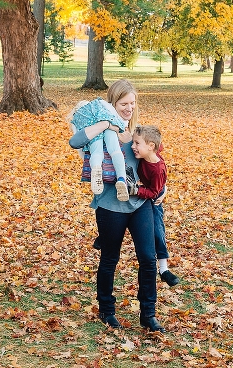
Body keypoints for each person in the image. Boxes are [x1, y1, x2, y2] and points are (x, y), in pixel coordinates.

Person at [68, 79, 165, 332]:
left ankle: (148, 314)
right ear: (112, 103)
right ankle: (107, 310)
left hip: (140, 203)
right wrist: (105, 121)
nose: (129, 108)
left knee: (148, 257)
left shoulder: (139, 135)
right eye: (123, 104)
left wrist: (162, 189)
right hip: (110, 206)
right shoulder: (100, 131)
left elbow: (156, 164)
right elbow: (75, 141)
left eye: (132, 103)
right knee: (110, 258)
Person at [131, 125, 181, 287]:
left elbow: (153, 192)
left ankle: (164, 269)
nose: (133, 146)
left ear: (151, 146)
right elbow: (157, 140)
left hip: (153, 198)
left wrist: (137, 190)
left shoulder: (157, 168)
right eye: (133, 142)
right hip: (148, 189)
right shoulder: (151, 151)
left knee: (158, 231)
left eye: (137, 143)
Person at [68, 98, 129, 200]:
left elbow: (78, 145)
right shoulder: (103, 110)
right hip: (109, 126)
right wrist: (109, 124)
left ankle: (96, 168)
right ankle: (121, 178)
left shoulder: (80, 120)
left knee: (96, 152)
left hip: (93, 134)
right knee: (115, 151)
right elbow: (119, 125)